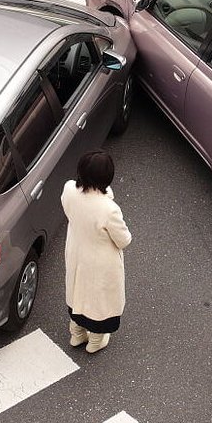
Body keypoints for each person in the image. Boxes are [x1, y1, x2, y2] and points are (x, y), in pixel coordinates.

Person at [61, 150, 132, 353]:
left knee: (77, 293)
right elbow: (124, 240)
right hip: (100, 262)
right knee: (99, 301)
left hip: (76, 251)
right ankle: (95, 341)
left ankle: (77, 334)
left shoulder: (68, 190)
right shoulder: (109, 209)